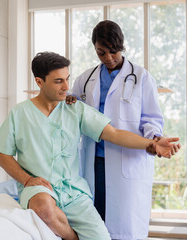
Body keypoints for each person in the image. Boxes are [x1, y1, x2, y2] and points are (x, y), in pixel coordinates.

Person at [0, 51, 180, 240]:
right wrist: (27, 180)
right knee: (44, 209)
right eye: (58, 81)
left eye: (67, 79)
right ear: (39, 82)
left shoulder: (75, 109)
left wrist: (153, 144)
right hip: (38, 188)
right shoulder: (20, 113)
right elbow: (3, 155)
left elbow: (114, 134)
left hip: (73, 191)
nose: (66, 87)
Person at [67, 20, 169, 240]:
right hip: (93, 160)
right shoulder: (85, 80)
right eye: (101, 53)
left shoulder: (141, 77)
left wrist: (154, 140)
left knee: (126, 225)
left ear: (121, 47)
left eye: (113, 52)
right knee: (96, 222)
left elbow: (151, 118)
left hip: (128, 160)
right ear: (95, 48)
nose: (108, 58)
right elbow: (71, 109)